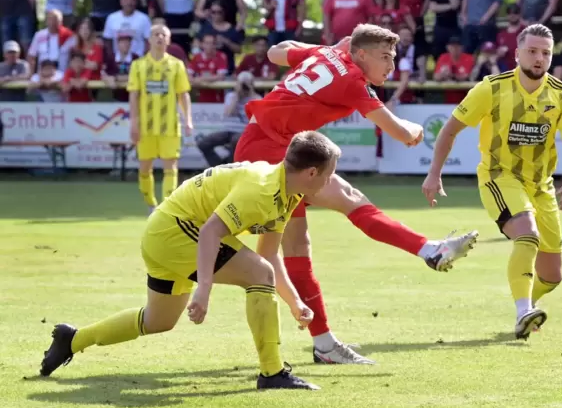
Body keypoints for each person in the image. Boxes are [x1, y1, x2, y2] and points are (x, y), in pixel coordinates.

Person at [234, 24, 478, 364]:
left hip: (266, 144)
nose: (390, 68)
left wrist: (332, 47)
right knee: (328, 214)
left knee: (296, 243)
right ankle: (428, 250)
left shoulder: (326, 54)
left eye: (393, 59)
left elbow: (278, 50)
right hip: (272, 151)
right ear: (360, 53)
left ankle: (322, 343)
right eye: (384, 58)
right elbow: (401, 132)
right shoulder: (352, 80)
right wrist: (418, 129)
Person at [40, 132, 340, 391]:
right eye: (329, 173)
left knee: (158, 321)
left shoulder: (287, 193)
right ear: (311, 172)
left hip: (165, 235)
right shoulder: (261, 189)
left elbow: (270, 253)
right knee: (258, 274)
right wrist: (204, 289)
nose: (330, 180)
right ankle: (273, 373)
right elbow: (211, 231)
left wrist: (294, 302)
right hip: (176, 231)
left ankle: (73, 339)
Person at [422, 24, 562, 340]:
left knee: (552, 276)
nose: (539, 58)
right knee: (527, 236)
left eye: (546, 53)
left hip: (542, 186)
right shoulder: (492, 89)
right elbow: (450, 129)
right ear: (517, 53)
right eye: (533, 51)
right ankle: (523, 311)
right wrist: (434, 173)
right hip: (500, 177)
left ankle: (529, 303)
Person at [128, 24, 194, 213]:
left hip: (169, 126)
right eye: (155, 34)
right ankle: (150, 203)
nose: (159, 37)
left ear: (169, 40)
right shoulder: (138, 66)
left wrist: (188, 119)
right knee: (144, 169)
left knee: (170, 167)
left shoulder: (176, 65)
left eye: (163, 34)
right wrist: (133, 123)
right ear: (149, 40)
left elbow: (183, 94)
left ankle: (165, 207)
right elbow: (133, 96)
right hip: (145, 127)